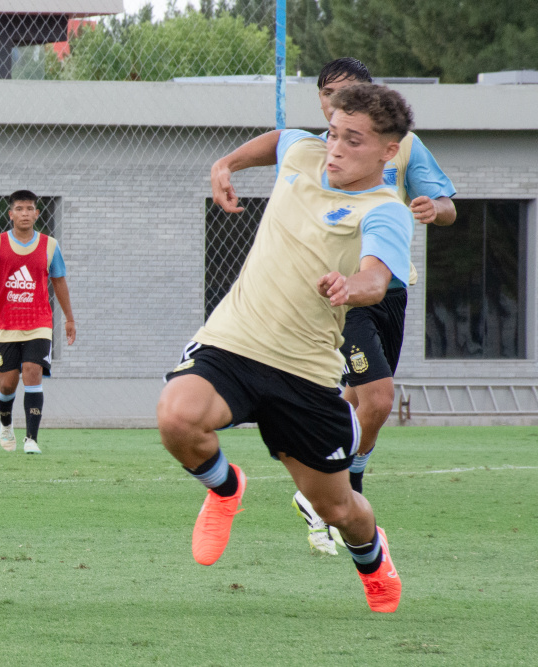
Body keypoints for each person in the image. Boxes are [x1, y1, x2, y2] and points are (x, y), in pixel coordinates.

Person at [158, 83, 415, 613]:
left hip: (305, 372)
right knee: (177, 418)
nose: (337, 148)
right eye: (335, 133)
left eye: (355, 141)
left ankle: (372, 557)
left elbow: (376, 275)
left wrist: (353, 288)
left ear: (389, 151)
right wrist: (226, 164)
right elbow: (281, 140)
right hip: (235, 339)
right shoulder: (304, 152)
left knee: (339, 508)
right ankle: (225, 489)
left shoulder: (384, 210)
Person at [214, 57, 457, 555]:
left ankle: (336, 486)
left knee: (364, 401)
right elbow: (280, 138)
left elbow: (448, 204)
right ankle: (338, 490)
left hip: (387, 291)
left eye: (345, 93)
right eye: (327, 97)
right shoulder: (314, 148)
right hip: (339, 298)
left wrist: (437, 209)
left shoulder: (403, 147)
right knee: (378, 397)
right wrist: (227, 164)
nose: (334, 107)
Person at [0, 190, 75, 454]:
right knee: (8, 382)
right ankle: (6, 423)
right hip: (4, 325)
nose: (25, 214)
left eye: (30, 209)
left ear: (37, 213)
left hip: (38, 322)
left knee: (32, 371)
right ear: (11, 214)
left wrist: (69, 319)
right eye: (19, 209)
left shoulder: (49, 245)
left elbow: (59, 281)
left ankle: (31, 439)